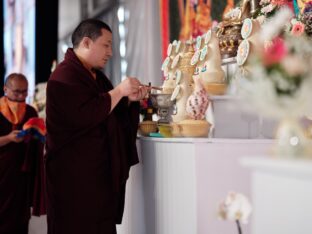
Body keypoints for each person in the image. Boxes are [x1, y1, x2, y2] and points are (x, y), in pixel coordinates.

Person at [45, 19, 149, 234]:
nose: (110, 52)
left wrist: (129, 100)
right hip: (73, 180)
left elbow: (110, 113)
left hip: (97, 176)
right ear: (86, 42)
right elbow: (85, 115)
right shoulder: (62, 78)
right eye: (106, 44)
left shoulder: (96, 77)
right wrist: (119, 91)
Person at [0, 73, 45, 234]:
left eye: (25, 92)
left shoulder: (30, 112)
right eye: (16, 92)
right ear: (5, 89)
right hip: (2, 172)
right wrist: (8, 138)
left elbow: (39, 140)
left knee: (19, 219)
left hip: (21, 174)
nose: (21, 97)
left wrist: (38, 135)